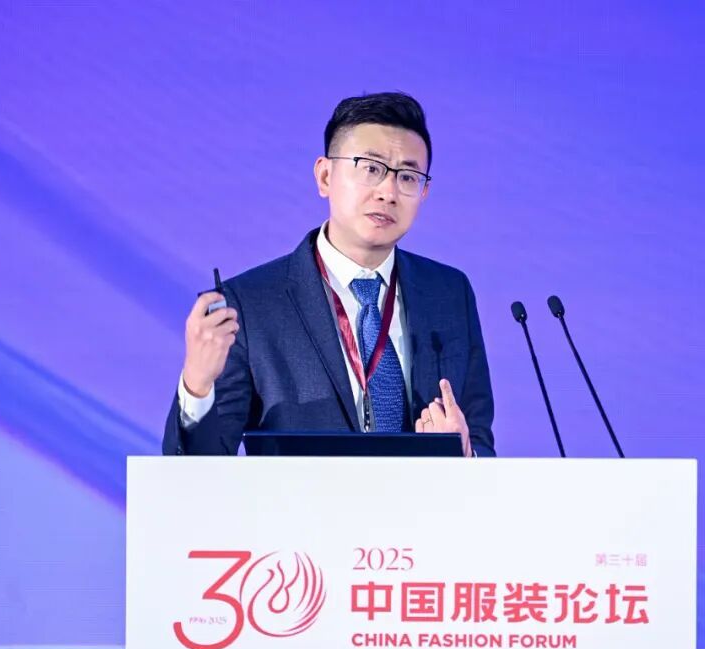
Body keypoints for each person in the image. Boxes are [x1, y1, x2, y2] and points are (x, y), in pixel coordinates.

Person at [161, 92, 494, 457]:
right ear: (324, 176)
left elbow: (479, 439)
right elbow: (199, 468)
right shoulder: (251, 304)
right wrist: (197, 386)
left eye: (408, 176)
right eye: (371, 168)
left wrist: (465, 457)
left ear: (424, 191)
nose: (388, 192)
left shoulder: (449, 293)